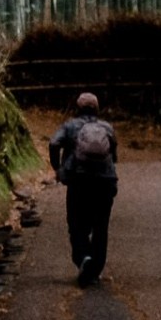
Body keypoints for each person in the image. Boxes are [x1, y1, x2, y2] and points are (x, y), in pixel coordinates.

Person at [49, 91, 118, 286]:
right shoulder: (106, 127)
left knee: (76, 222)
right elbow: (114, 155)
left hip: (79, 181)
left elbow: (54, 143)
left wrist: (58, 168)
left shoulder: (70, 126)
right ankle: (95, 270)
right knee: (100, 226)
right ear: (97, 109)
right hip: (105, 181)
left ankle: (83, 258)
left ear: (77, 108)